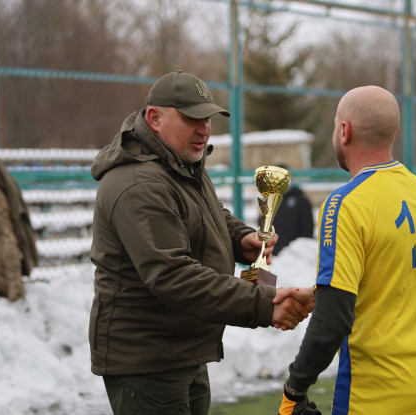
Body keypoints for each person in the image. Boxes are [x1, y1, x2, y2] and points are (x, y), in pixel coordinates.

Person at [88, 70, 314, 415]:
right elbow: (173, 275)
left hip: (183, 348)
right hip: (149, 361)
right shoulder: (139, 182)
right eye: (192, 118)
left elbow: (208, 213)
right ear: (155, 118)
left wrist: (240, 238)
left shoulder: (177, 162)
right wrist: (265, 304)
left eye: (207, 118)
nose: (204, 129)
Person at [277, 85, 416, 415]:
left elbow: (333, 320)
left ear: (344, 131)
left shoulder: (344, 203)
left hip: (381, 398)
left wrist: (295, 387)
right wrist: (322, 293)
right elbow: (399, 280)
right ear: (394, 133)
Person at [271, 167, 314, 255]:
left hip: (295, 253)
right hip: (273, 251)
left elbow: (307, 227)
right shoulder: (269, 200)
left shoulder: (300, 200)